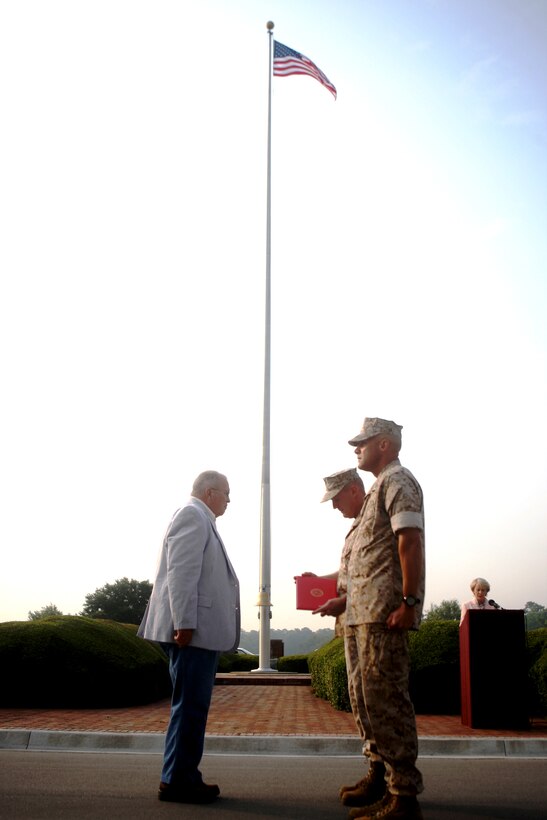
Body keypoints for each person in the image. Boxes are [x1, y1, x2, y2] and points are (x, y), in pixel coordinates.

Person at [138, 470, 240, 804]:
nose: (228, 499)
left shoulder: (199, 517)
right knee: (190, 706)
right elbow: (181, 574)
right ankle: (178, 780)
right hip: (191, 633)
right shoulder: (192, 515)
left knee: (192, 706)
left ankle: (181, 776)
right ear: (210, 493)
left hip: (194, 631)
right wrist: (184, 622)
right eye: (226, 493)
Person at [343, 417, 426, 820]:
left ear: (386, 446)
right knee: (366, 699)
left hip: (385, 614)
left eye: (364, 442)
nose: (356, 448)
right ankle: (379, 775)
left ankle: (404, 795)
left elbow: (409, 542)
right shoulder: (378, 487)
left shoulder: (397, 481)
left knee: (388, 701)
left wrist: (410, 602)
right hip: (362, 616)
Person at [306, 468, 388, 810]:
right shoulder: (358, 523)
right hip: (356, 622)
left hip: (374, 621)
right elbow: (349, 573)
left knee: (381, 703)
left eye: (336, 498)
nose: (334, 507)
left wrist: (343, 599)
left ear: (354, 490)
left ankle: (396, 788)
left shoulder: (375, 516)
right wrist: (319, 581)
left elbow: (379, 570)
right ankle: (377, 774)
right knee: (363, 702)